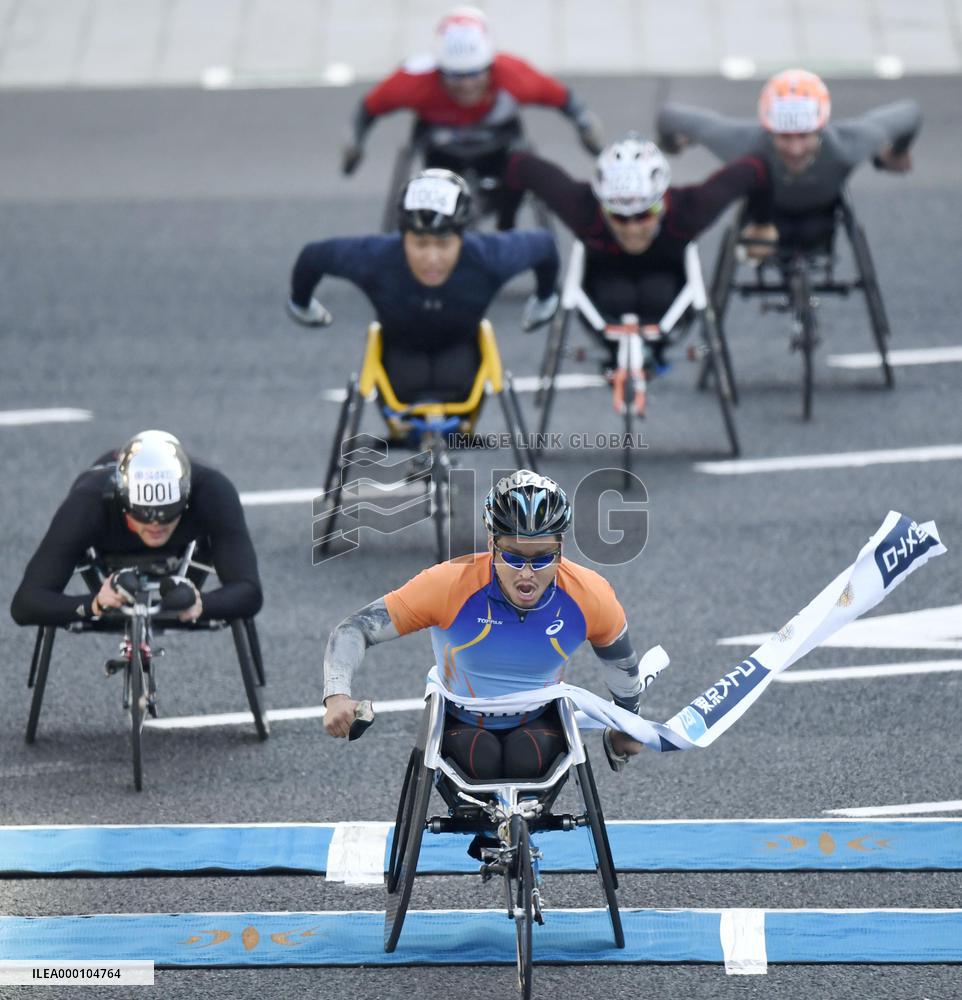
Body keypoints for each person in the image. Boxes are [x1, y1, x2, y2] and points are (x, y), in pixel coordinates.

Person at [322, 469, 645, 778]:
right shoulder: (449, 584)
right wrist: (337, 696)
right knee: (482, 759)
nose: (527, 573)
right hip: (460, 722)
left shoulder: (591, 595)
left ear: (560, 551)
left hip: (538, 721)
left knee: (526, 758)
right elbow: (355, 629)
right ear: (492, 547)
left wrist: (627, 725)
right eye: (514, 557)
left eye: (543, 558)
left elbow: (622, 664)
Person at [286, 168, 560, 403]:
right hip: (398, 366)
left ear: (462, 238)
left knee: (453, 373)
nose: (432, 258)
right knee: (409, 376)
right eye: (420, 243)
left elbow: (545, 246)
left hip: (463, 365)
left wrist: (546, 297)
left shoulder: (488, 257)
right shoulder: (375, 257)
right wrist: (301, 302)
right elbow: (313, 257)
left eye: (443, 244)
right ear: (402, 237)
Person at [503, 133, 769, 366]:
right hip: (603, 288)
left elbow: (755, 169)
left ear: (662, 203)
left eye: (643, 215)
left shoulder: (689, 210)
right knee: (617, 295)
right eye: (619, 217)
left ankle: (656, 350)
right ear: (603, 206)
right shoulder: (583, 208)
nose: (632, 229)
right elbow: (519, 166)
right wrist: (507, 220)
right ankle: (613, 351)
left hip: (668, 292)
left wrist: (762, 220)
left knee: (657, 291)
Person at [341, 5, 604, 229]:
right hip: (440, 151)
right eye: (456, 76)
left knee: (525, 164)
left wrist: (587, 129)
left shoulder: (515, 76)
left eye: (475, 74)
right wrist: (354, 145)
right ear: (439, 69)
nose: (467, 86)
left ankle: (506, 224)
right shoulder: (414, 81)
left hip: (499, 149)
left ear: (490, 65)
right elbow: (368, 109)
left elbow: (566, 101)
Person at [10, 430, 262, 628]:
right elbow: (26, 603)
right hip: (108, 543)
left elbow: (249, 591)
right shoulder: (88, 502)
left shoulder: (213, 491)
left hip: (182, 547)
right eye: (142, 513)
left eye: (168, 513)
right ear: (121, 499)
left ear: (186, 499)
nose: (155, 524)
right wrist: (94, 604)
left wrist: (202, 603)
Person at [656, 68, 921, 252]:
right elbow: (668, 117)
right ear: (768, 130)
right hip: (765, 218)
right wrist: (895, 155)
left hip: (820, 221)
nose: (795, 149)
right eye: (784, 137)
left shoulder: (848, 144)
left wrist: (674, 146)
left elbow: (911, 114)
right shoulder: (744, 142)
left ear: (819, 128)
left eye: (804, 136)